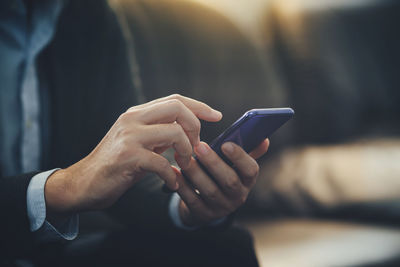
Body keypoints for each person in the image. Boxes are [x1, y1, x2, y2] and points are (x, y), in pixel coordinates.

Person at [0, 1, 269, 266]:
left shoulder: (89, 14)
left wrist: (189, 206)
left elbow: (121, 174)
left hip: (53, 251)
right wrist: (65, 187)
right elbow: (88, 178)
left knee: (227, 248)